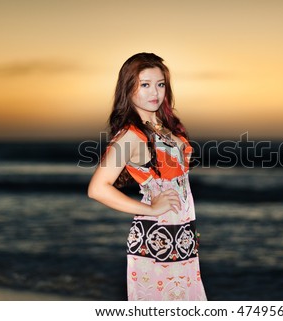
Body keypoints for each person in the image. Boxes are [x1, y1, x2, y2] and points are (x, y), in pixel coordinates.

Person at [88, 53, 207, 301]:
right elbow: (98, 188)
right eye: (145, 84)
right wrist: (151, 209)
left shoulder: (163, 127)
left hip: (179, 236)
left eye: (160, 84)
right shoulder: (131, 135)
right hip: (157, 238)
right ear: (128, 88)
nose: (155, 92)